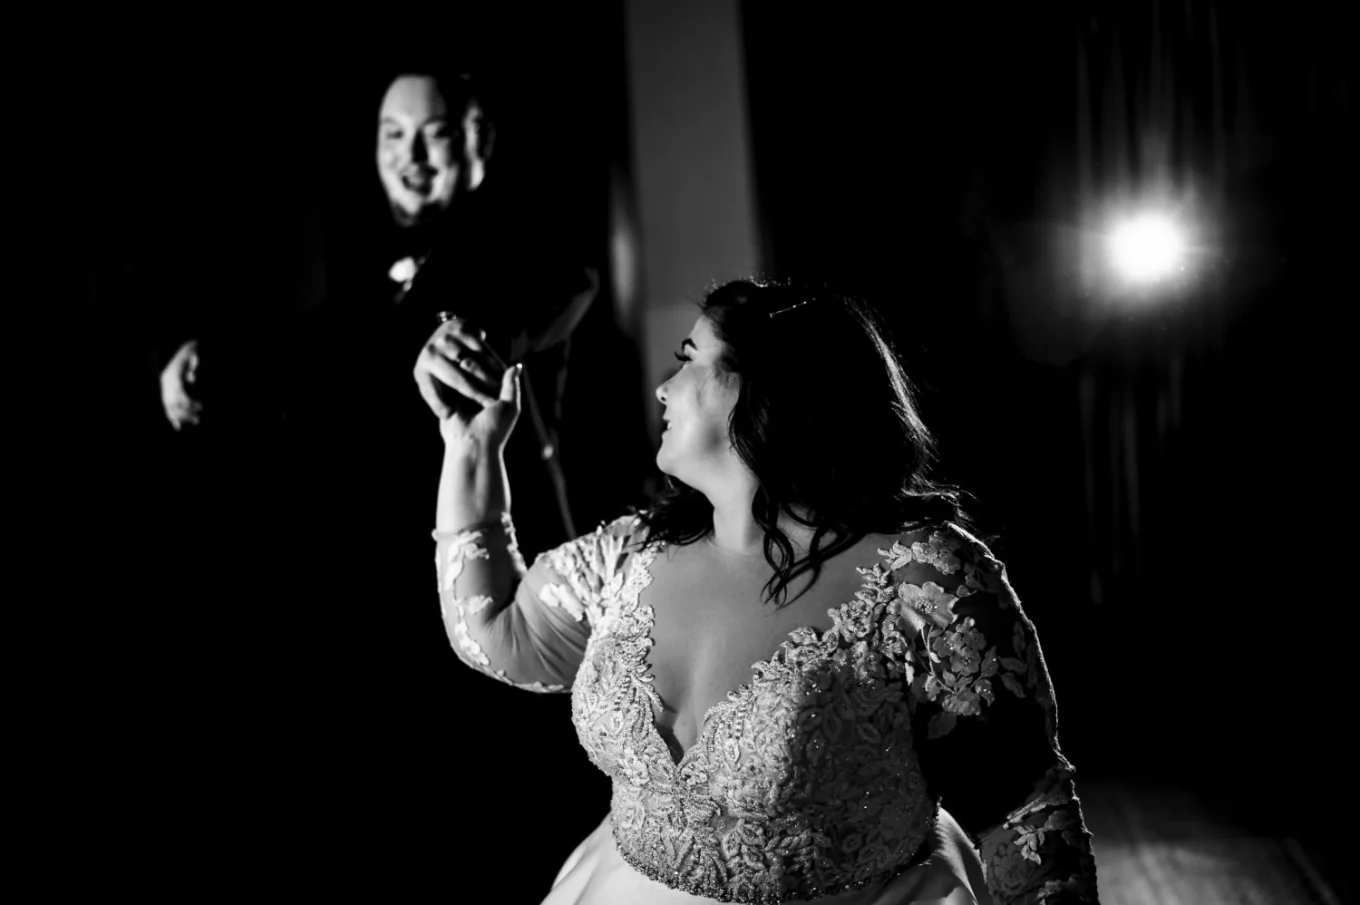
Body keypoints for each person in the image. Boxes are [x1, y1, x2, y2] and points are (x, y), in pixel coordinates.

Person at [413, 278, 1099, 904]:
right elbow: (498, 633)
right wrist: (471, 447)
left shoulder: (925, 578)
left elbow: (1023, 804)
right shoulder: (627, 553)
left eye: (689, 358)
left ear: (769, 387)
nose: (664, 387)